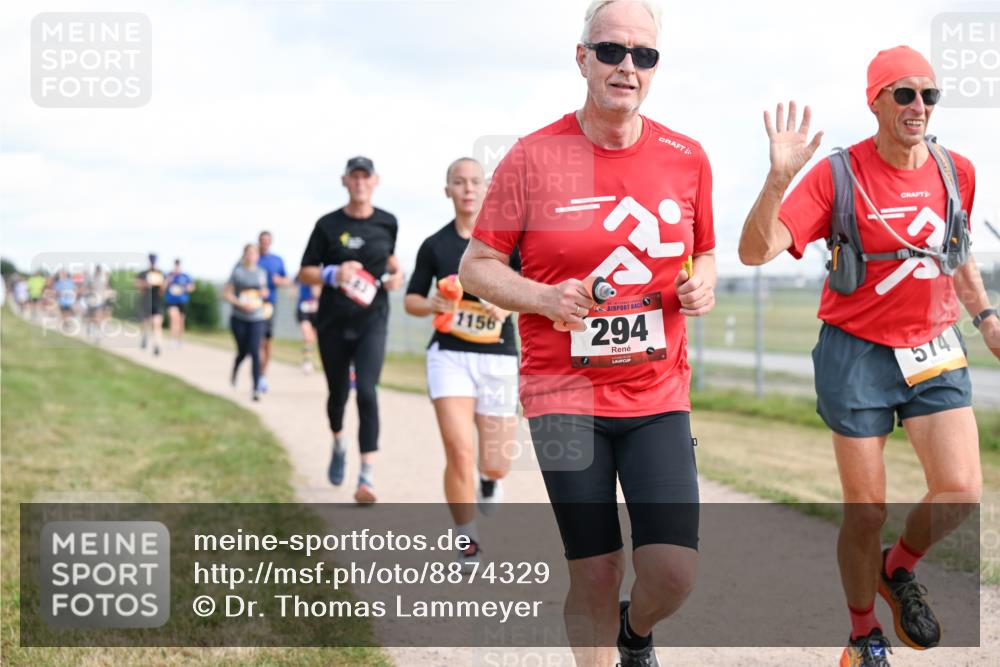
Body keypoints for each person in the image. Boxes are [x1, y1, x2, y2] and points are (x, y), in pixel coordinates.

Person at [459, 3, 716, 665]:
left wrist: (703, 282)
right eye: (610, 50)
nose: (627, 66)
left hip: (657, 393)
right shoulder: (532, 156)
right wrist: (545, 296)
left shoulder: (687, 157)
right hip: (564, 396)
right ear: (582, 58)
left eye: (644, 55)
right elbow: (477, 266)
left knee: (671, 573)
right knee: (596, 571)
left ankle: (636, 632)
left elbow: (706, 252)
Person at [738, 46, 996, 667]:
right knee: (867, 510)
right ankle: (862, 636)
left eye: (928, 95)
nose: (918, 106)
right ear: (875, 100)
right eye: (904, 94)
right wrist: (778, 180)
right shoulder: (837, 175)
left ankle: (897, 568)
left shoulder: (955, 169)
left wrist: (985, 318)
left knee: (961, 491)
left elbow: (956, 250)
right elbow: (754, 251)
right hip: (857, 354)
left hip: (933, 346)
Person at [405, 157, 519, 570]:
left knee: (494, 461)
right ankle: (467, 541)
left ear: (487, 188)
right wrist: (432, 302)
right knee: (458, 450)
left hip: (498, 358)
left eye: (475, 182)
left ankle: (490, 480)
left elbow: (534, 290)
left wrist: (507, 304)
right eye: (459, 182)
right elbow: (411, 299)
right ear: (447, 190)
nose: (468, 189)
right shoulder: (435, 246)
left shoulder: (509, 243)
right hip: (449, 356)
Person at [298, 156, 405, 504]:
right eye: (354, 177)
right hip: (332, 321)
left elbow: (389, 259)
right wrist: (333, 273)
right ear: (345, 181)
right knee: (338, 394)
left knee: (369, 393)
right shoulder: (327, 225)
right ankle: (339, 441)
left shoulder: (388, 222)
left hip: (371, 321)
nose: (360, 183)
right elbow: (305, 271)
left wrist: (397, 275)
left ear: (375, 181)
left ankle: (366, 477)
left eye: (366, 177)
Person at [223, 244, 270, 401]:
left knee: (255, 351)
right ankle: (235, 370)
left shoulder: (261, 273)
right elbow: (227, 294)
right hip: (239, 317)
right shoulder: (238, 272)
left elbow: (264, 291)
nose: (251, 256)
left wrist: (263, 294)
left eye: (254, 253)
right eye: (249, 253)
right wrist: (240, 303)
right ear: (245, 255)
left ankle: (255, 388)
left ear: (257, 256)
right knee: (243, 351)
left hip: (257, 317)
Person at [257, 230, 291, 392]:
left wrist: (280, 281)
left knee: (266, 342)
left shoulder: (277, 260)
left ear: (270, 242)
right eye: (262, 240)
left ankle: (262, 376)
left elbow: (287, 280)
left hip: (269, 305)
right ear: (259, 241)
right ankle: (257, 374)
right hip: (251, 305)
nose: (264, 243)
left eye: (267, 240)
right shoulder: (252, 257)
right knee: (255, 342)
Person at [135, 253, 165, 355]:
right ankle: (144, 337)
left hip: (156, 302)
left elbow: (162, 291)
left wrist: (161, 285)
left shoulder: (160, 273)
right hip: (145, 302)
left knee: (157, 324)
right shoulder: (143, 273)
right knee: (145, 323)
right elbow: (136, 284)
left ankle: (157, 346)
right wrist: (146, 284)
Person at [164, 259, 195, 347]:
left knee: (181, 321)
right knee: (174, 319)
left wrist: (184, 288)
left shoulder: (185, 276)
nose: (177, 268)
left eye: (178, 266)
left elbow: (192, 287)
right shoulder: (169, 275)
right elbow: (163, 286)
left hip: (182, 301)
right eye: (175, 266)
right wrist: (168, 280)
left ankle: (179, 339)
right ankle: (173, 340)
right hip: (171, 301)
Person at [295, 280, 320, 374]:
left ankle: (309, 358)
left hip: (315, 310)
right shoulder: (302, 273)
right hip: (303, 309)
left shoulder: (322, 274)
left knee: (312, 337)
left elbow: (316, 293)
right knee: (307, 335)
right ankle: (307, 361)